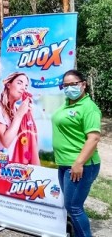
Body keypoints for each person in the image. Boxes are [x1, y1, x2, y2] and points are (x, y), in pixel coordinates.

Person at [52, 69, 101, 237]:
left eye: (73, 84)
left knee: (74, 207)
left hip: (81, 165)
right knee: (71, 205)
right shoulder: (67, 103)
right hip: (65, 163)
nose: (69, 88)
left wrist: (79, 163)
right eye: (65, 85)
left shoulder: (89, 107)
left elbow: (93, 138)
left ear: (83, 85)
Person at [0, 72, 40, 165]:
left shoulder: (19, 109)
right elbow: (6, 142)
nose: (23, 88)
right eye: (19, 83)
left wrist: (28, 116)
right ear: (8, 85)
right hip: (4, 164)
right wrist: (19, 115)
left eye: (26, 86)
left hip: (23, 165)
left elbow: (30, 141)